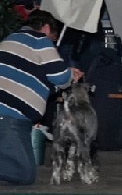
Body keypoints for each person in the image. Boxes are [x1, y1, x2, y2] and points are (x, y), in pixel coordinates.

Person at [0, 10, 83, 185]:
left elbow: (36, 83)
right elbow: (59, 77)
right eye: (54, 38)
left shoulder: (9, 40)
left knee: (22, 169)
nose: (53, 43)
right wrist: (70, 75)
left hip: (10, 117)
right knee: (22, 174)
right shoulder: (40, 40)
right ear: (46, 28)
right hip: (9, 118)